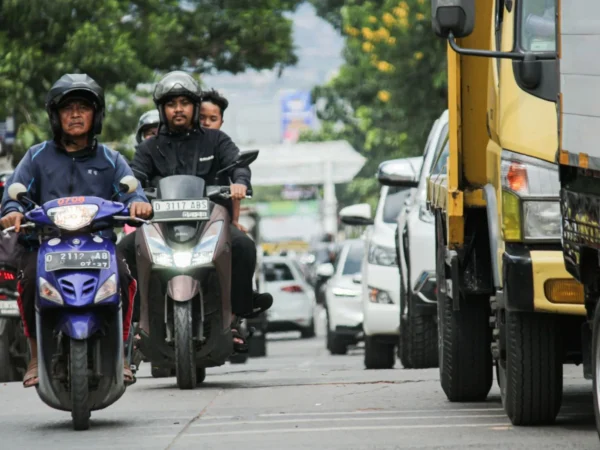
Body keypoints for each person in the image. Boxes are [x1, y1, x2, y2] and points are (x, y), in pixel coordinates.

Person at [0, 73, 152, 388]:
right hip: (44, 244)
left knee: (124, 278)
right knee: (28, 281)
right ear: (56, 116)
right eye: (67, 108)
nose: (75, 114)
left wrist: (138, 203)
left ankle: (121, 354)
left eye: (83, 107)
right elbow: (13, 193)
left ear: (95, 115)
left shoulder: (111, 159)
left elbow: (133, 191)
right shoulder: (36, 157)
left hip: (99, 245)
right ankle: (35, 355)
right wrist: (12, 210)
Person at [119, 71, 272, 353]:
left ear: (195, 107)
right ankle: (137, 321)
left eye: (184, 103)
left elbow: (238, 164)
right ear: (162, 109)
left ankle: (237, 314)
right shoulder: (149, 147)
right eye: (171, 103)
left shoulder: (216, 140)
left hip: (210, 224)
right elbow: (135, 176)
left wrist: (240, 183)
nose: (178, 109)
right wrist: (133, 195)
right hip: (160, 227)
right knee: (124, 252)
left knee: (244, 247)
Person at [200, 89, 245, 233]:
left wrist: (235, 221)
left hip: (217, 221)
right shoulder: (177, 143)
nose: (206, 123)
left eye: (213, 119)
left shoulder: (222, 143)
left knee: (244, 245)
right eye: (201, 118)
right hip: (176, 221)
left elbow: (237, 169)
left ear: (221, 122)